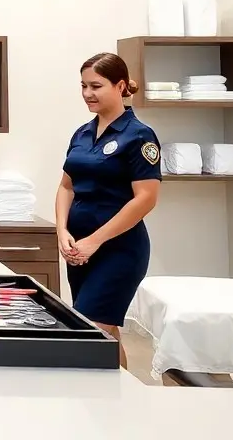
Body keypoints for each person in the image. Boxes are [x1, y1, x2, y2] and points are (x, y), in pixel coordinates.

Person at [54, 52, 162, 368]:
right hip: (79, 250)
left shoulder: (139, 135)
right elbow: (66, 187)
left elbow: (145, 199)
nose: (88, 93)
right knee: (105, 333)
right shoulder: (82, 133)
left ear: (119, 86)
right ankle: (124, 402)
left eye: (96, 86)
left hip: (119, 251)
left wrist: (95, 240)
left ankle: (97, 406)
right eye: (84, 86)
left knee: (90, 331)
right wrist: (62, 230)